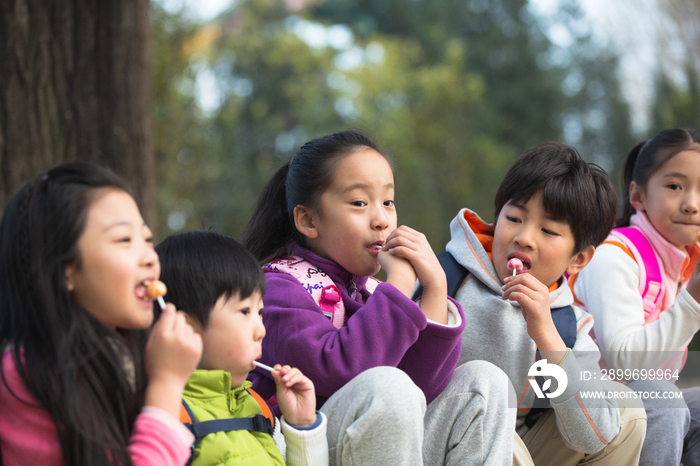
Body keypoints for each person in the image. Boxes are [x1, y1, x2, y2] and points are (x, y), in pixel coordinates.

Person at [240, 130, 516, 465]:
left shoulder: (370, 291)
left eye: (387, 202)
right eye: (359, 203)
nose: (381, 220)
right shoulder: (279, 287)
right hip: (305, 449)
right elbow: (341, 370)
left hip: (382, 444)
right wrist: (399, 281)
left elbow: (420, 387)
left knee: (485, 384)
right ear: (308, 220)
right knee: (389, 386)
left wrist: (435, 287)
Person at [444, 142, 647, 465]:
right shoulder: (444, 279)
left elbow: (593, 438)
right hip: (443, 440)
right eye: (514, 217)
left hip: (522, 449)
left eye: (548, 230)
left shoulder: (570, 326)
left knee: (627, 412)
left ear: (579, 258)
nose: (524, 237)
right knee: (492, 417)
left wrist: (548, 337)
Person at [0, 162, 202, 465]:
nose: (150, 257)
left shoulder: (130, 358)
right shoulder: (22, 379)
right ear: (64, 270)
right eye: (124, 240)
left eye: (147, 239)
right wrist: (167, 385)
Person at [571, 128, 700, 465]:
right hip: (576, 402)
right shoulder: (614, 256)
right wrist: (693, 302)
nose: (692, 204)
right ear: (638, 196)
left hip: (634, 400)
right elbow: (623, 362)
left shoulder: (683, 263)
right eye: (675, 186)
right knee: (664, 401)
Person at [155, 231, 328, 465]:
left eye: (260, 312)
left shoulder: (260, 410)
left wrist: (302, 425)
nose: (261, 330)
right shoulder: (167, 415)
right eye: (245, 311)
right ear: (185, 325)